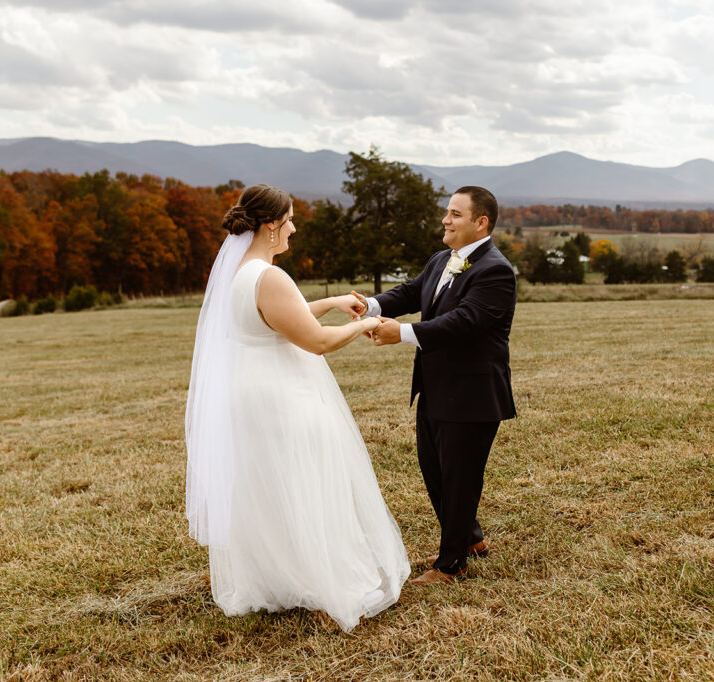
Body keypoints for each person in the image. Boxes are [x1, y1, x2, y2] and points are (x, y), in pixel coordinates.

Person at [185, 184, 409, 632]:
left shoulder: (241, 272)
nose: (294, 227)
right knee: (308, 479)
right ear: (270, 225)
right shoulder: (271, 276)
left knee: (271, 485)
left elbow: (277, 317)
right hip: (282, 393)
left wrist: (328, 302)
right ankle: (324, 583)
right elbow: (316, 341)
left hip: (249, 392)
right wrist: (367, 321)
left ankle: (276, 577)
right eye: (289, 219)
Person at [357, 185, 516, 586]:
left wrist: (403, 333)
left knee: (460, 478)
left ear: (480, 223)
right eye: (447, 212)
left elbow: (463, 322)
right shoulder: (442, 260)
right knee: (436, 471)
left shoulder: (495, 270)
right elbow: (412, 291)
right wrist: (371, 306)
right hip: (435, 388)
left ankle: (451, 564)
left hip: (472, 394)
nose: (446, 220)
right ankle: (471, 539)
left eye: (455, 214)